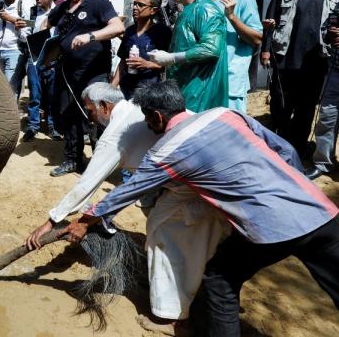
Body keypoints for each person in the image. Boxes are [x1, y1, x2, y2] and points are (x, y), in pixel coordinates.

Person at [63, 81, 339, 337]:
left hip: (270, 228)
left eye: (148, 119)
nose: (147, 125)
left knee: (220, 280)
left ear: (157, 117)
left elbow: (126, 192)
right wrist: (296, 189)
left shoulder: (166, 151)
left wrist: (86, 221)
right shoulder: (226, 114)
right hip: (320, 210)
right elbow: (287, 150)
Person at [25, 82, 228, 332]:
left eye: (90, 110)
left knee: (161, 235)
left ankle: (171, 317)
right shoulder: (139, 109)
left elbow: (88, 184)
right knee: (194, 236)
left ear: (104, 106)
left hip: (193, 187)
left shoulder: (116, 134)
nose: (90, 117)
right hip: (215, 178)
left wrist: (52, 221)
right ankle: (203, 294)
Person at [43, 0, 124, 176]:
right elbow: (46, 23)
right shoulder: (64, 6)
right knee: (69, 114)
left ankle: (102, 163)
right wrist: (44, 49)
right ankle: (72, 159)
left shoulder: (98, 3)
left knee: (96, 115)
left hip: (93, 71)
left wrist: (91, 36)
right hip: (66, 71)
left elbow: (117, 27)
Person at [262, 0, 339, 158]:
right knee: (280, 105)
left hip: (318, 61)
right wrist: (265, 50)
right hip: (284, 57)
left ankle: (297, 148)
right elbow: (270, 22)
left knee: (306, 108)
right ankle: (279, 144)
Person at [148, 0, 228, 111]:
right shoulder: (189, 9)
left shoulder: (205, 9)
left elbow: (211, 49)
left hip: (200, 94)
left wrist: (171, 58)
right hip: (186, 89)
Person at [193, 0, 262, 112]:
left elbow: (256, 39)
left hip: (231, 82)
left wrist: (231, 17)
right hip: (201, 82)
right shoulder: (196, 1)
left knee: (231, 132)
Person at [111, 0, 171, 99]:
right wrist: (112, 88)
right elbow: (122, 63)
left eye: (140, 5)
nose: (135, 7)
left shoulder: (162, 32)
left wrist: (147, 64)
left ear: (153, 10)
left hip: (148, 91)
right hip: (126, 89)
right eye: (134, 4)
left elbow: (169, 64)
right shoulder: (129, 31)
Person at [22, 0, 61, 141]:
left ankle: (53, 126)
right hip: (34, 57)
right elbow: (25, 34)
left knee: (53, 94)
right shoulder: (32, 12)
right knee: (35, 94)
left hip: (53, 58)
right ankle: (33, 126)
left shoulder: (59, 13)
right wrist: (24, 29)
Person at [309, 2, 339, 179]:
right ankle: (323, 163)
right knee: (327, 118)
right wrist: (331, 33)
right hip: (335, 71)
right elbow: (327, 27)